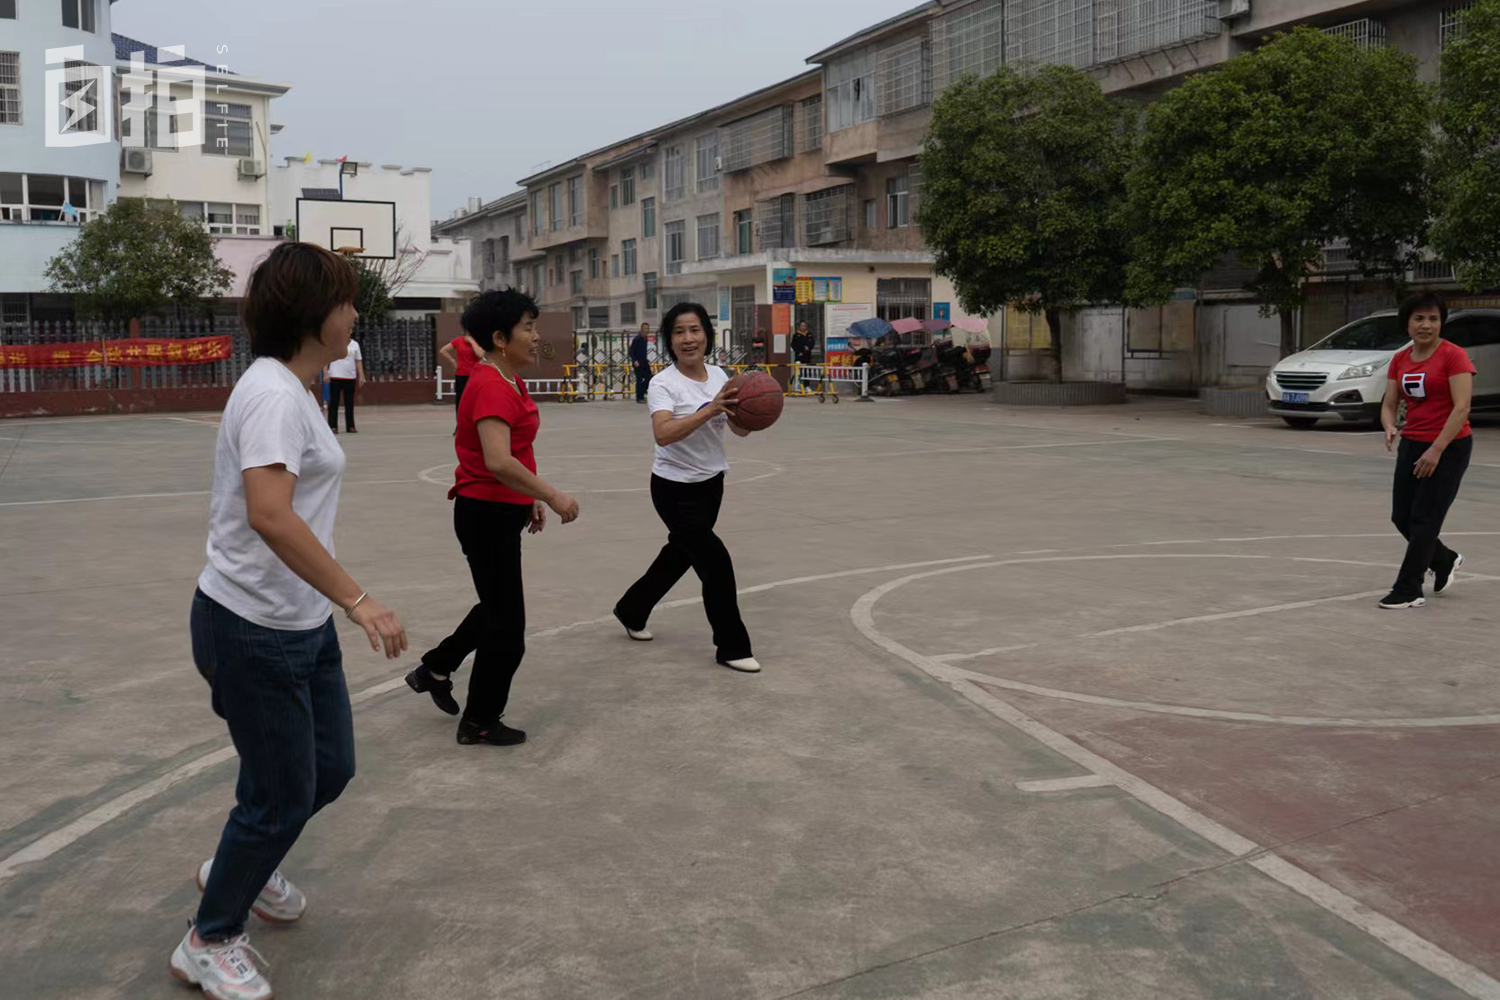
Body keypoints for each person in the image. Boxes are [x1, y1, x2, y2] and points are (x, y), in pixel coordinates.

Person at [171, 243, 408, 1000]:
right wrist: (358, 597)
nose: (354, 314)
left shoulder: (293, 388)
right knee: (279, 793)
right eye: (345, 301)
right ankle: (208, 938)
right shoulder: (274, 395)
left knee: (326, 768)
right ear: (314, 314)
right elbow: (270, 515)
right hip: (251, 627)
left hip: (296, 623)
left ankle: (245, 861)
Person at [405, 288, 580, 744]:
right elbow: (498, 461)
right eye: (528, 328)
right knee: (508, 629)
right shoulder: (488, 384)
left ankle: (437, 668)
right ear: (501, 338)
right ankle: (479, 720)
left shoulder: (508, 379)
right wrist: (555, 496)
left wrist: (529, 500)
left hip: (500, 511)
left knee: (497, 609)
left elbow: (515, 454)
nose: (536, 336)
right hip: (483, 513)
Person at [613, 302, 759, 672]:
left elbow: (738, 429)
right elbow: (663, 434)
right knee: (716, 563)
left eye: (694, 330)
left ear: (707, 335)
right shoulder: (664, 383)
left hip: (711, 484)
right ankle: (732, 646)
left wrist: (754, 414)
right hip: (673, 489)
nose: (688, 338)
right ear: (669, 340)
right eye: (679, 332)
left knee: (679, 555)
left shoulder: (719, 375)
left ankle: (631, 608)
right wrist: (709, 410)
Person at [1379, 292, 1475, 610]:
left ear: (1441, 323)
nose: (1426, 325)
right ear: (1407, 322)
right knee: (1401, 516)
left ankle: (1409, 588)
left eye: (1433, 319)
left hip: (1449, 446)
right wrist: (1390, 425)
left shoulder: (1453, 356)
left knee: (1424, 519)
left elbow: (1461, 407)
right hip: (1413, 442)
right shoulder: (1401, 359)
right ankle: (1444, 558)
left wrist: (1437, 449)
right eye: (1419, 318)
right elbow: (1390, 402)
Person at [438, 330, 486, 414]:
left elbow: (480, 355)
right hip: (461, 374)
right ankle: (460, 421)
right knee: (460, 400)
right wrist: (453, 361)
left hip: (476, 375)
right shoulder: (458, 340)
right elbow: (443, 350)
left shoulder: (479, 341)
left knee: (475, 399)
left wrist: (472, 342)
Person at [324, 336, 364, 434]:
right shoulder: (333, 343)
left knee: (349, 403)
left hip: (350, 377)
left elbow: (358, 361)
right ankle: (333, 426)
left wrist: (361, 375)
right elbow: (325, 359)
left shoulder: (355, 345)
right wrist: (325, 373)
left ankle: (350, 426)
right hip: (335, 376)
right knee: (334, 403)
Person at [630, 321, 653, 404]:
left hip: (644, 361)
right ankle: (639, 397)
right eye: (645, 328)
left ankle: (643, 392)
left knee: (650, 377)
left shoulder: (645, 338)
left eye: (648, 328)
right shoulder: (637, 339)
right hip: (638, 362)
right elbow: (631, 351)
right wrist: (634, 360)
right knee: (639, 379)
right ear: (641, 329)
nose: (646, 330)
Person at [790, 321, 813, 390]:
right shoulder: (796, 335)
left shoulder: (809, 334)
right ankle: (798, 386)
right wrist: (800, 351)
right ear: (799, 327)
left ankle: (807, 386)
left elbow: (812, 343)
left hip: (807, 356)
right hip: (799, 356)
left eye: (804, 326)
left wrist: (808, 347)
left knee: (807, 371)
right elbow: (793, 345)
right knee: (798, 371)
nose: (803, 327)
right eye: (802, 326)